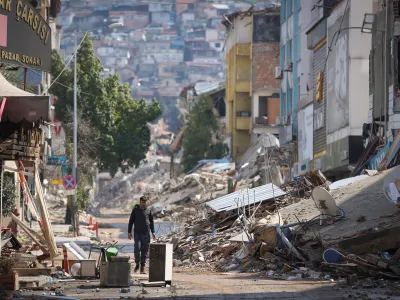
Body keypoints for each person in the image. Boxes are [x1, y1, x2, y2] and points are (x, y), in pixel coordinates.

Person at [128, 195, 156, 274]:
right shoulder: (135, 210)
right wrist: (129, 232)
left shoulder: (148, 210)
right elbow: (131, 221)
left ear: (146, 203)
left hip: (146, 233)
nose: (143, 204)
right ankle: (137, 264)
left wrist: (153, 232)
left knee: (145, 250)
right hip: (137, 233)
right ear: (140, 202)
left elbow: (151, 222)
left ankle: (142, 267)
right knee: (137, 248)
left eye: (144, 202)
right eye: (142, 202)